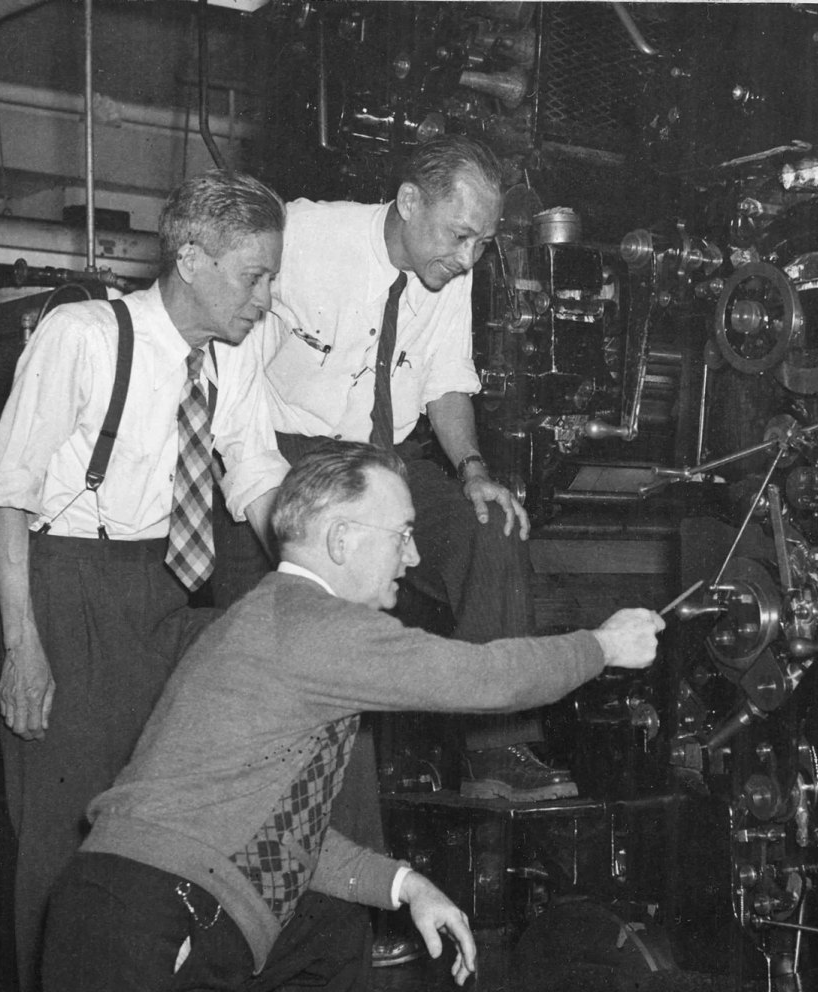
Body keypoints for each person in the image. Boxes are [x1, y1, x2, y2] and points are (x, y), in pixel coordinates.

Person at [40, 441, 663, 991]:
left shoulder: (278, 620)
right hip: (150, 917)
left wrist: (405, 886)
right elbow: (485, 676)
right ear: (341, 540)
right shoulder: (310, 623)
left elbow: (286, 837)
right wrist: (602, 647)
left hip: (149, 903)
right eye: (403, 534)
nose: (414, 558)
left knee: (332, 932)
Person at [0, 170, 290, 991]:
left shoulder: (237, 358)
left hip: (169, 590)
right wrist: (21, 647)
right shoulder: (82, 334)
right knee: (60, 841)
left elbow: (256, 481)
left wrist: (317, 561)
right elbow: (7, 495)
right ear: (191, 258)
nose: (267, 297)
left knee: (158, 833)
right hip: (64, 585)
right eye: (254, 275)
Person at [221, 133, 567, 803]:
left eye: (482, 243)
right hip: (293, 451)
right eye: (460, 235)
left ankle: (495, 750)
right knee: (272, 630)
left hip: (387, 458)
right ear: (409, 201)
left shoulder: (446, 272)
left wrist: (471, 469)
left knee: (491, 530)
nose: (469, 259)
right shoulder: (302, 236)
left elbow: (445, 382)